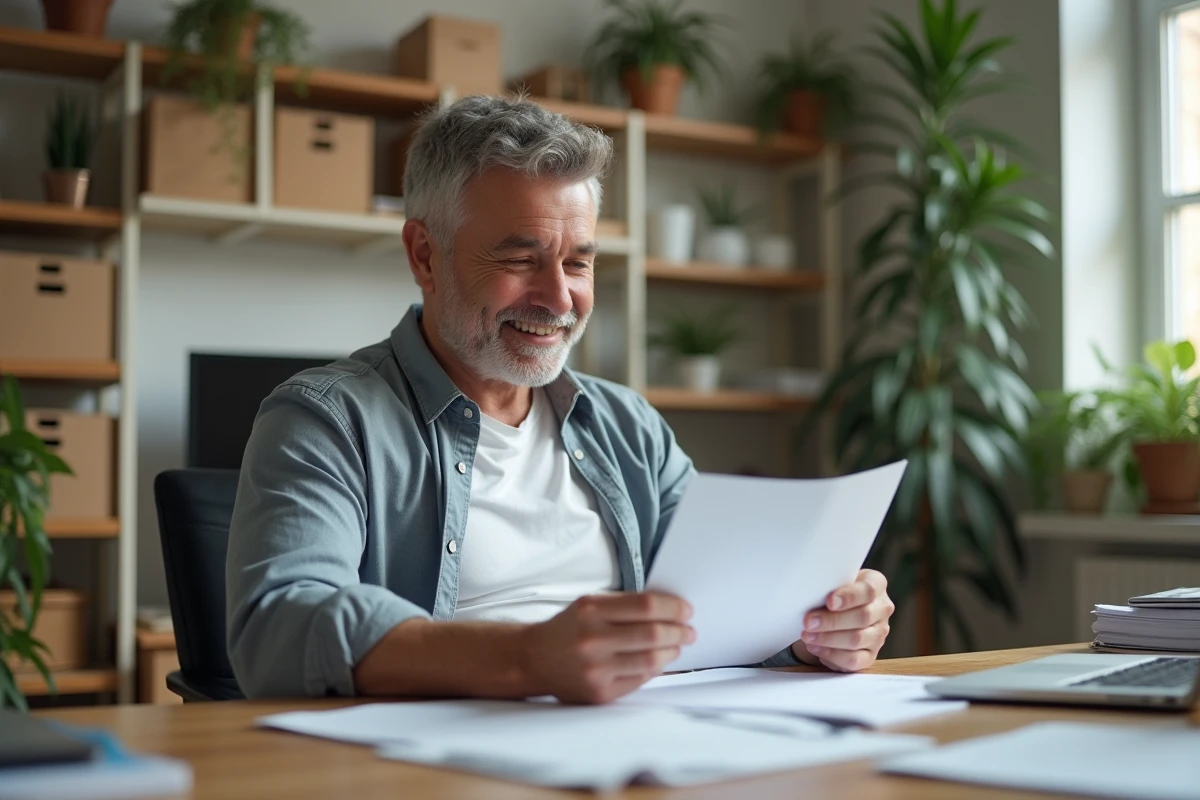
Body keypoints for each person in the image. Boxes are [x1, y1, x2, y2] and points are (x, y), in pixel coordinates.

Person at [226, 95, 894, 702]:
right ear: (426, 257)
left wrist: (814, 626)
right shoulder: (325, 420)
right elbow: (282, 626)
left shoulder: (627, 425)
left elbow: (724, 606)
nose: (559, 298)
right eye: (520, 261)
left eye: (577, 262)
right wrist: (526, 657)